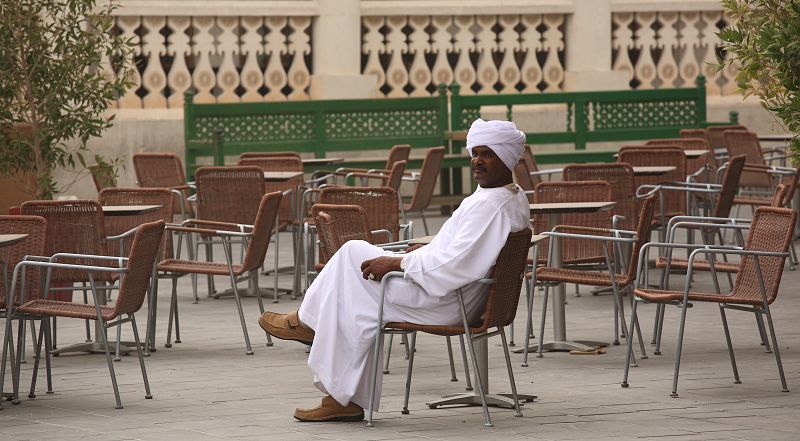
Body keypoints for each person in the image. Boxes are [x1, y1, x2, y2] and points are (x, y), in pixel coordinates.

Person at [259, 118, 531, 422]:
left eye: (487, 154)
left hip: (447, 299)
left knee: (351, 286)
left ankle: (314, 336)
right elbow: (454, 249)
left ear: (506, 158)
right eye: (475, 153)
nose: (477, 161)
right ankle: (323, 358)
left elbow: (455, 264)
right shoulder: (509, 195)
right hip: (457, 290)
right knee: (353, 259)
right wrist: (420, 253)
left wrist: (398, 262)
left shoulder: (491, 205)